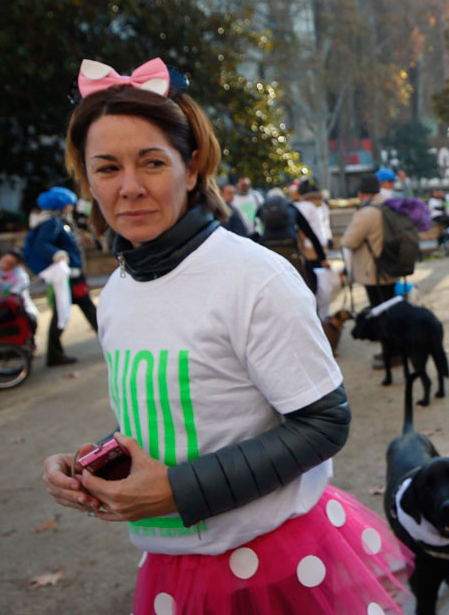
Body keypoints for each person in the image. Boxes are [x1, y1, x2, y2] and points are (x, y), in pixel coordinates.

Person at [40, 57, 410, 614]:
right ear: (87, 179)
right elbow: (169, 410)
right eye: (108, 168)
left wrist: (180, 489)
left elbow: (324, 422)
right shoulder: (116, 292)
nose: (130, 188)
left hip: (275, 562)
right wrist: (96, 464)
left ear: (190, 169)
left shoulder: (254, 278)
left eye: (151, 162)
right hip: (170, 565)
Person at [23, 186, 98, 367]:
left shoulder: (56, 221)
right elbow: (43, 244)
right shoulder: (52, 223)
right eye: (69, 205)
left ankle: (56, 354)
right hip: (68, 277)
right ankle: (55, 354)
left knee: (83, 310)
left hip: (71, 276)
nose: (71, 208)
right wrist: (57, 254)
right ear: (63, 206)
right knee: (69, 312)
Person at [341, 174, 397, 307]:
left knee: (379, 308)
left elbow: (349, 242)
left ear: (361, 193)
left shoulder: (367, 213)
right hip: (392, 265)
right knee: (390, 305)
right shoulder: (390, 208)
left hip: (373, 270)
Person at [0, 250, 38, 333]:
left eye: (10, 263)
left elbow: (13, 295)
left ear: (16, 265)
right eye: (5, 261)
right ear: (1, 259)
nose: (5, 265)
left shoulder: (21, 276)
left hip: (17, 310)